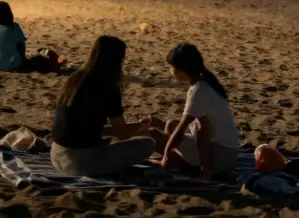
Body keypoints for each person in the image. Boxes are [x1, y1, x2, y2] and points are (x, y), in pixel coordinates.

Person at [50, 36, 156, 177]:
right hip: (82, 163)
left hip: (56, 156)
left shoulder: (75, 79)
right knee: (148, 143)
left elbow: (82, 127)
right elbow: (122, 133)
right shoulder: (108, 86)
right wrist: (141, 126)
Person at [148, 43, 240, 181]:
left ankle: (179, 162)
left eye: (171, 66)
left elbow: (196, 132)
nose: (170, 70)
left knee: (154, 135)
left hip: (219, 156)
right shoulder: (207, 83)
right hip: (226, 153)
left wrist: (166, 155)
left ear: (182, 70)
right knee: (170, 125)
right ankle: (180, 161)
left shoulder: (199, 90)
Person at [0, 1, 59, 73]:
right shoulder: (15, 27)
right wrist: (23, 59)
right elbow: (21, 46)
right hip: (13, 64)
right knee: (38, 59)